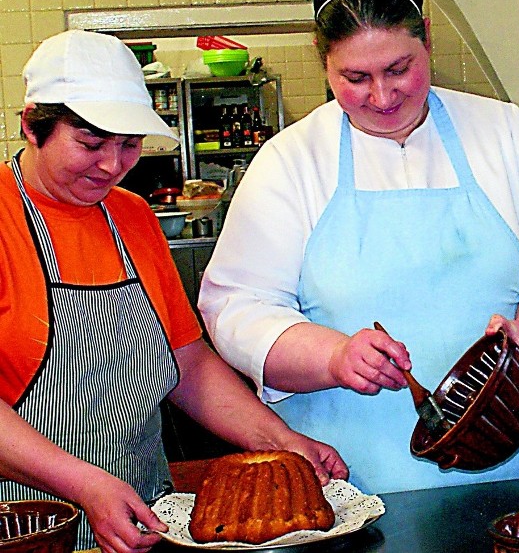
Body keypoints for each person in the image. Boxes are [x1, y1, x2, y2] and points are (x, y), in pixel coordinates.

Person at [197, 0, 519, 494]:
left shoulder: (501, 132)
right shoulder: (291, 161)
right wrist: (334, 356)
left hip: (513, 464)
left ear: (428, 41)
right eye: (355, 77)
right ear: (324, 63)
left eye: (398, 69)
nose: (383, 97)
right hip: (352, 475)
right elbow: (238, 306)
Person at [0, 30, 347, 553]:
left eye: (129, 145)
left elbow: (187, 362)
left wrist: (281, 442)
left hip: (144, 517)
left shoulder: (132, 217)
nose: (112, 166)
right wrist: (84, 486)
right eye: (91, 143)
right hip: (25, 526)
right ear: (31, 126)